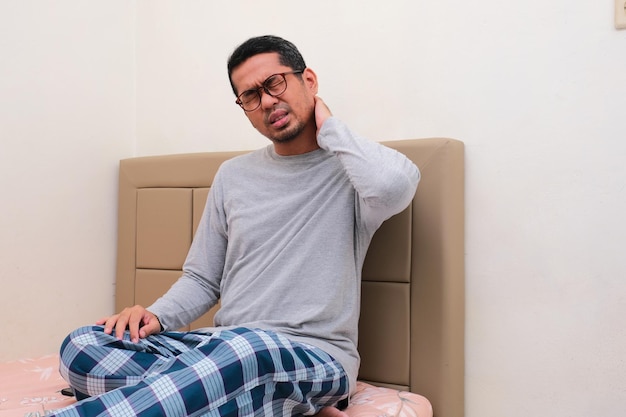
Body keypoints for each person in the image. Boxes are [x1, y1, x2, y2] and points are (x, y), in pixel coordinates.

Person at [49, 35, 420, 417]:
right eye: (251, 96)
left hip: (313, 355)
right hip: (221, 348)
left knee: (245, 352)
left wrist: (329, 127)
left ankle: (236, 393)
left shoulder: (352, 172)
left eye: (275, 84)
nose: (268, 101)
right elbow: (203, 278)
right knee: (82, 346)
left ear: (308, 80)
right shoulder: (233, 175)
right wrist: (156, 317)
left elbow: (394, 186)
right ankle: (264, 401)